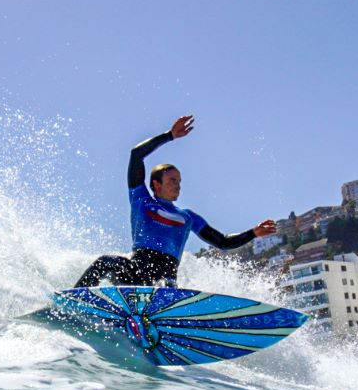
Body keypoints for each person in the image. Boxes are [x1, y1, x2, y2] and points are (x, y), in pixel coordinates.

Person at [74, 115, 277, 288]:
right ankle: (72, 303)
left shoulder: (188, 217)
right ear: (156, 184)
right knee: (105, 262)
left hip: (165, 281)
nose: (178, 185)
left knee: (163, 285)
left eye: (179, 181)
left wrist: (253, 233)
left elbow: (222, 242)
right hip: (134, 274)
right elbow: (136, 155)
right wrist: (169, 136)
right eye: (172, 180)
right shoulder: (140, 199)